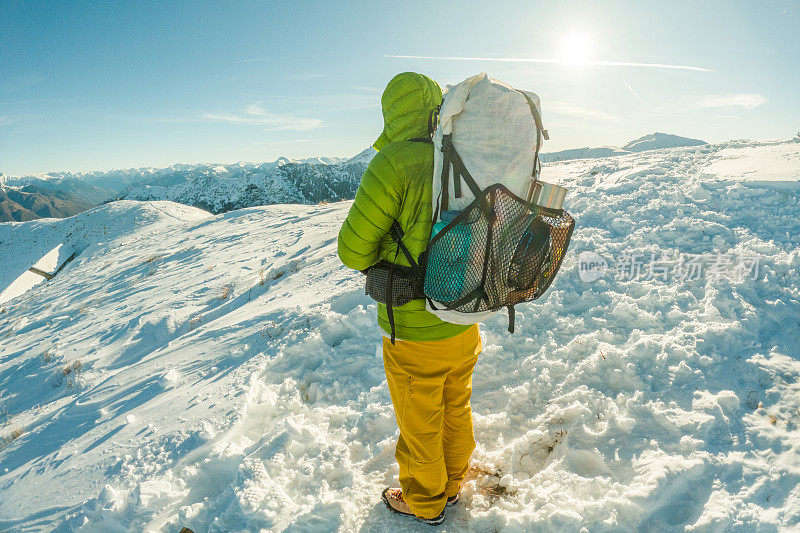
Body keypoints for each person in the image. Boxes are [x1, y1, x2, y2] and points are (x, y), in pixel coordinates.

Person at [337, 72, 483, 526]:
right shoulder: (461, 154)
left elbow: (352, 250)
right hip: (465, 315)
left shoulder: (394, 162)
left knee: (420, 422)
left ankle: (425, 502)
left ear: (392, 112)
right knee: (455, 405)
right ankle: (453, 483)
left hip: (415, 331)